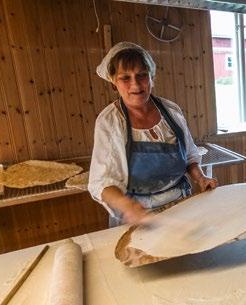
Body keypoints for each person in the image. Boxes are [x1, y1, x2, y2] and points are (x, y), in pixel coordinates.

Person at [88, 41, 217, 226]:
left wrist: (200, 178)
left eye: (141, 75)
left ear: (151, 77)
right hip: (138, 215)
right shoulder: (110, 122)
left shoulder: (171, 112)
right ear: (114, 83)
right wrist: (129, 207)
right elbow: (100, 183)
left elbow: (189, 156)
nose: (135, 84)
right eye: (125, 77)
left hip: (181, 206)